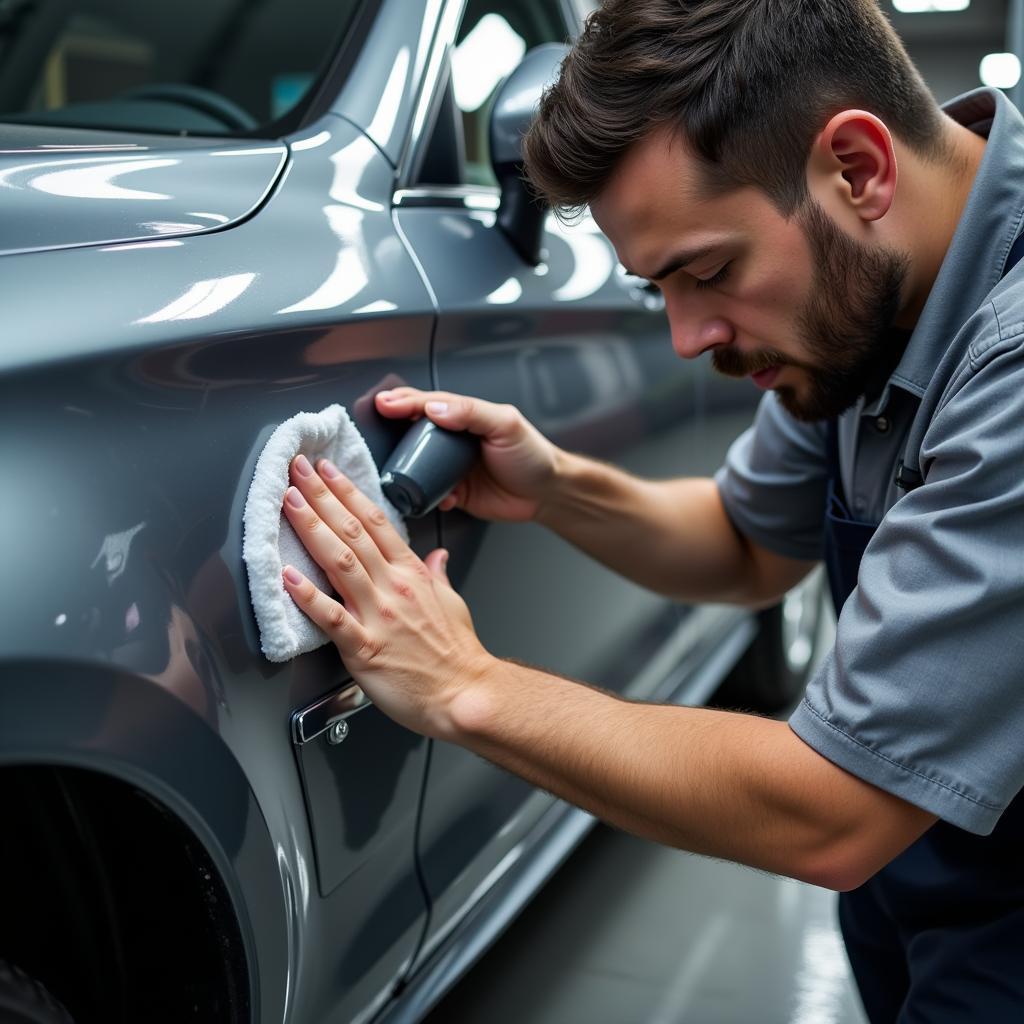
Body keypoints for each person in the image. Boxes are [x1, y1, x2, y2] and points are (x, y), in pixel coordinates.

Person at [278, 1, 1024, 1019]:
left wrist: (462, 686)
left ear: (857, 169)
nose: (686, 337)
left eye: (708, 271)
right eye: (659, 289)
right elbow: (747, 545)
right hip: (931, 890)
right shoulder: (867, 289)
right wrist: (553, 485)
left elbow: (832, 811)